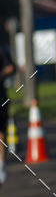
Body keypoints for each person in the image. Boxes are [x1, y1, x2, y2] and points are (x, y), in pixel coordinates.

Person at [0, 39, 15, 185]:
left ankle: (1, 166)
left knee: (1, 131)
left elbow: (11, 67)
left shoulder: (1, 49)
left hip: (0, 97)